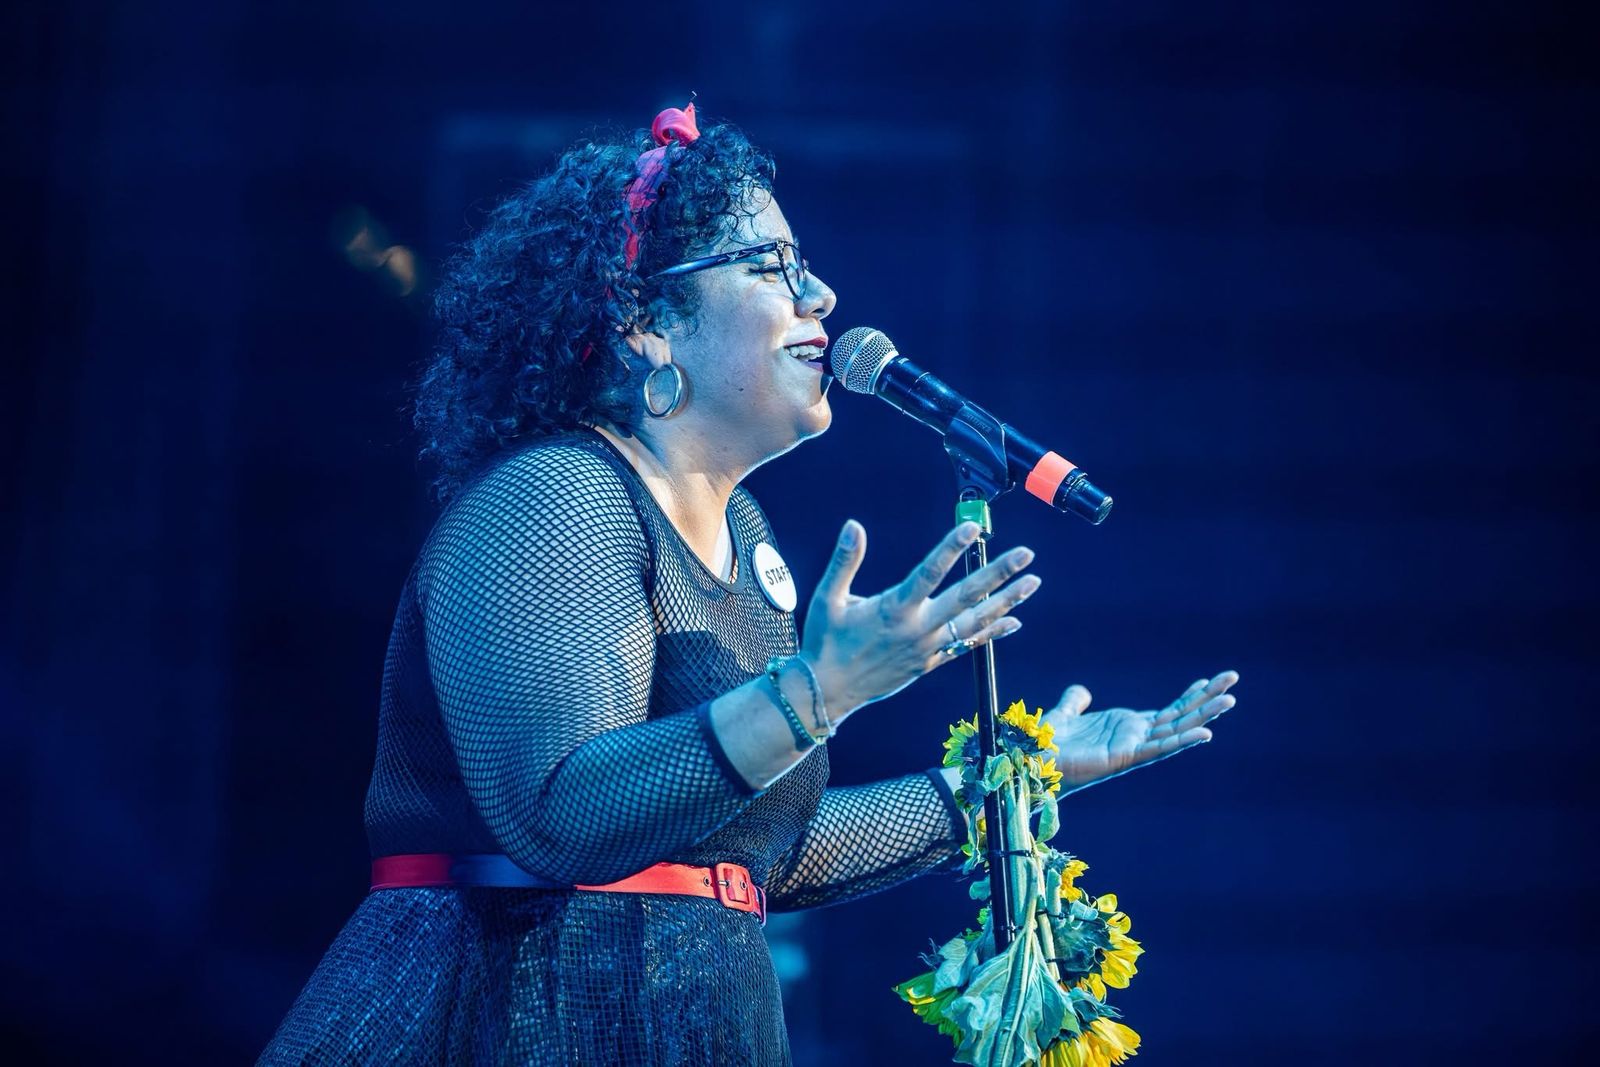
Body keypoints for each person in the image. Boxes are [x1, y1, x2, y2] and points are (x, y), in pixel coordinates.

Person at [259, 103, 1239, 1065]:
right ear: (646, 321)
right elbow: (563, 815)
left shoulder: (745, 534)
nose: (822, 295)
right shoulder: (557, 494)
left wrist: (1017, 781)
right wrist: (820, 692)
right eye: (772, 265)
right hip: (508, 1014)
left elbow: (754, 850)